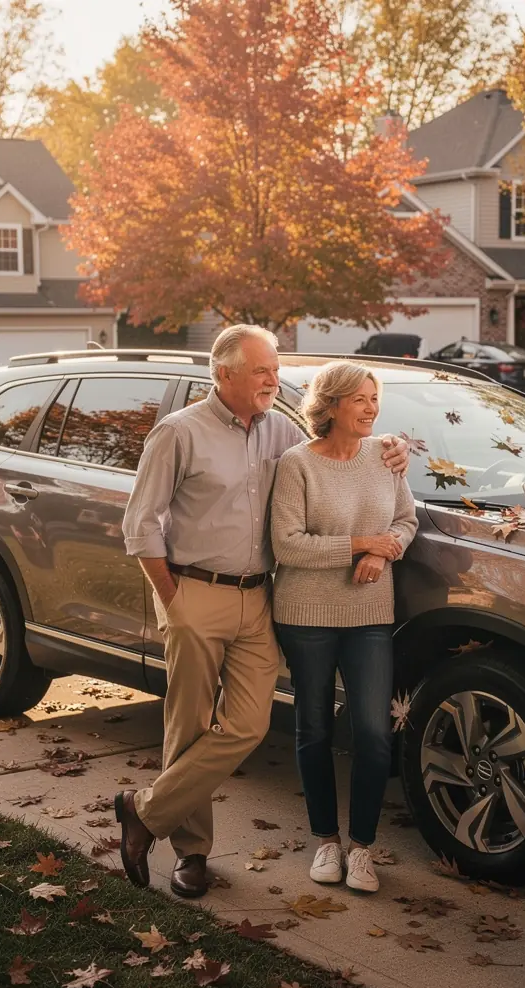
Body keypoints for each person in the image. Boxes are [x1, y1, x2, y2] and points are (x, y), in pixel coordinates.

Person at [115, 326, 408, 898]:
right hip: (195, 590)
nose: (275, 380)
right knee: (191, 725)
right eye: (261, 371)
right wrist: (173, 599)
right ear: (223, 374)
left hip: (261, 597)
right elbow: (140, 524)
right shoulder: (179, 433)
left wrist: (394, 443)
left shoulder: (281, 429)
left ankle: (143, 811)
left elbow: (338, 447)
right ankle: (192, 853)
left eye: (276, 370)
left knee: (247, 726)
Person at [271, 361, 417, 893]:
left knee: (375, 735)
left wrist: (386, 552)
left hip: (369, 613)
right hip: (306, 614)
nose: (371, 408)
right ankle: (325, 843)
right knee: (314, 729)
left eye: (374, 398)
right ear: (330, 405)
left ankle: (362, 849)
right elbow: (287, 544)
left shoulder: (386, 456)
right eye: (359, 398)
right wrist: (361, 544)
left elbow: (406, 520)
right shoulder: (296, 464)